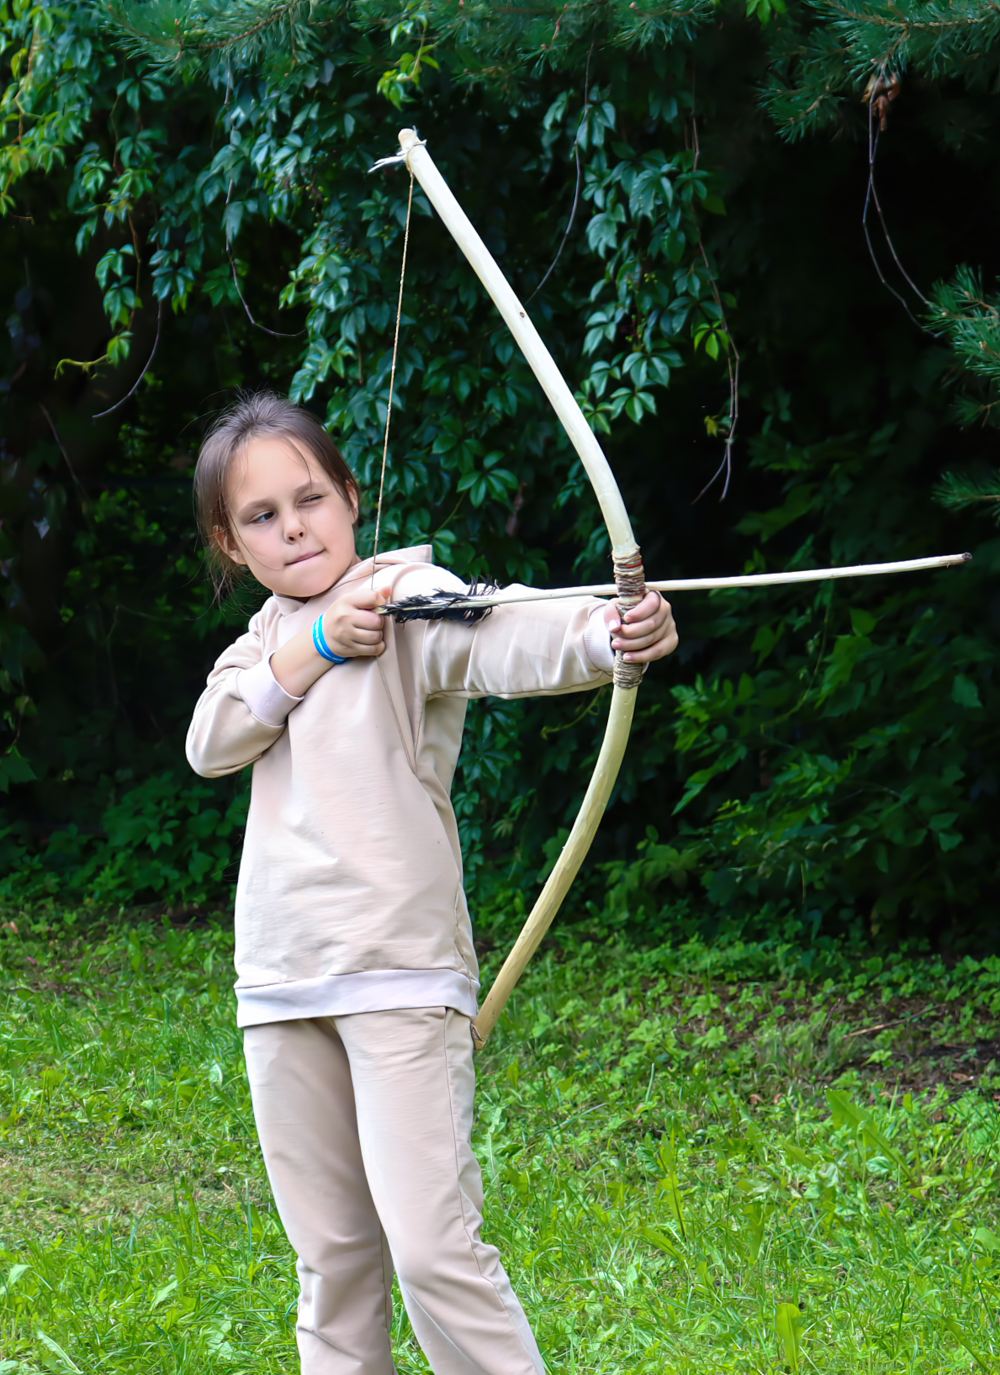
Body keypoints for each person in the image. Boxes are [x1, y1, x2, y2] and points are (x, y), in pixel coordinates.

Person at [186, 390, 678, 1375]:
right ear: (231, 546)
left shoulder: (408, 601)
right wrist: (320, 643)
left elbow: (500, 639)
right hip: (282, 984)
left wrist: (605, 633)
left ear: (351, 497)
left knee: (430, 1246)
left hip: (400, 977)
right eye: (262, 517)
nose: (294, 528)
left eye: (310, 498)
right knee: (332, 1259)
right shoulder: (261, 648)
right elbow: (212, 741)